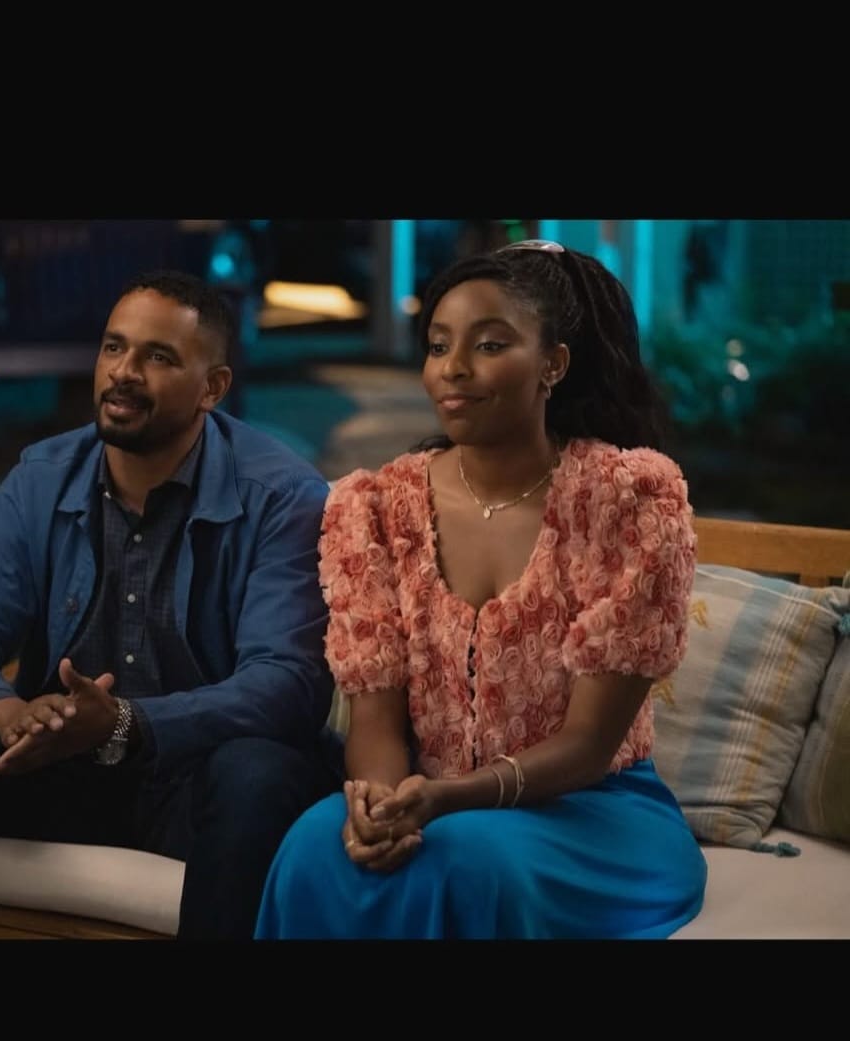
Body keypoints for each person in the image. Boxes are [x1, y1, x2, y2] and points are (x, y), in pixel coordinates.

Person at [0, 269, 342, 940]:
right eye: (113, 347)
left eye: (158, 357)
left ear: (213, 388)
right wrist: (8, 714)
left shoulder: (282, 496)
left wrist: (128, 723)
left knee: (258, 773)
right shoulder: (42, 476)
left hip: (194, 783)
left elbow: (287, 683)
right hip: (57, 771)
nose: (123, 372)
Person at [254, 240, 708, 940]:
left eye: (489, 345)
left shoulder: (628, 501)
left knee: (466, 859)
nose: (453, 368)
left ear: (553, 364)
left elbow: (589, 744)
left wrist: (449, 797)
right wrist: (381, 803)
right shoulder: (375, 508)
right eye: (438, 346)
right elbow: (375, 723)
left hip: (591, 811)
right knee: (314, 846)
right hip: (428, 799)